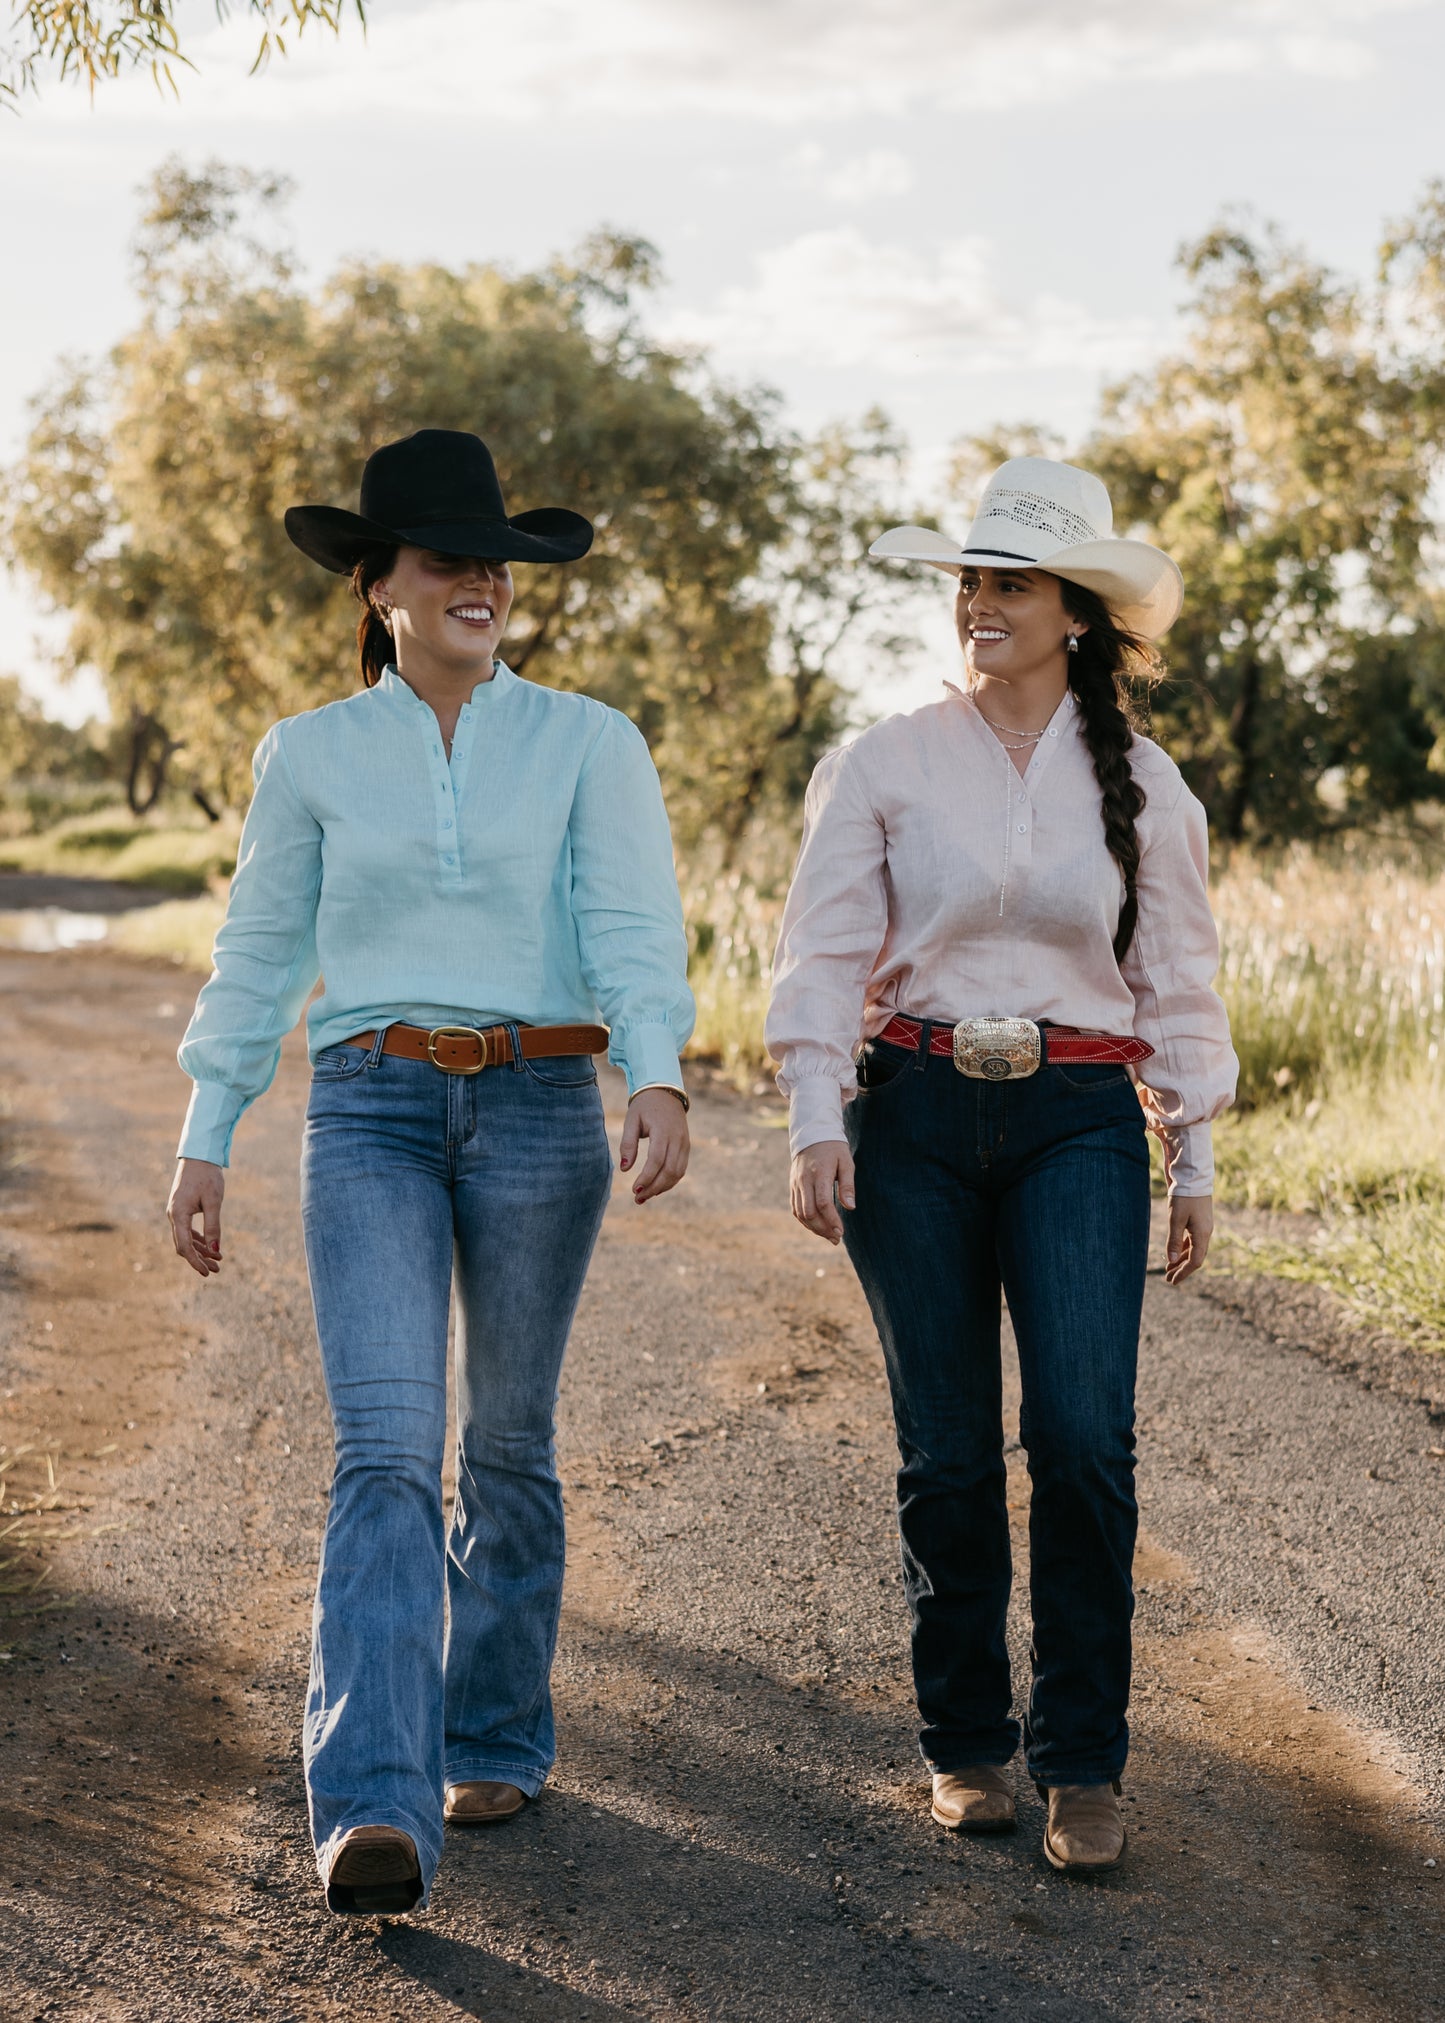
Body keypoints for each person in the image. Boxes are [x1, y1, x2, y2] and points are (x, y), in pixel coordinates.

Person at [166, 429, 694, 1915]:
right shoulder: (310, 754)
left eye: (495, 563)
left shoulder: (590, 741)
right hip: (370, 1111)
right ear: (378, 584)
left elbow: (633, 924)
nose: (479, 581)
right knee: (385, 1454)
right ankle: (372, 1807)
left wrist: (654, 1069)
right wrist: (206, 1132)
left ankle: (494, 1729)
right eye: (446, 559)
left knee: (508, 1449)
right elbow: (261, 951)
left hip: (539, 1109)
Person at [765, 457, 1236, 1874]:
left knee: (1083, 1440)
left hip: (1079, 1118)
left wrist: (1192, 1148)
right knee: (948, 1448)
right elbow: (822, 953)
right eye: (967, 579)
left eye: (1008, 582)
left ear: (1075, 614)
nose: (978, 602)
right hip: (908, 1110)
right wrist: (810, 1116)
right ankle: (968, 1746)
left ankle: (1082, 1760)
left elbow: (1177, 976)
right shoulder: (883, 761)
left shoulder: (1143, 786)